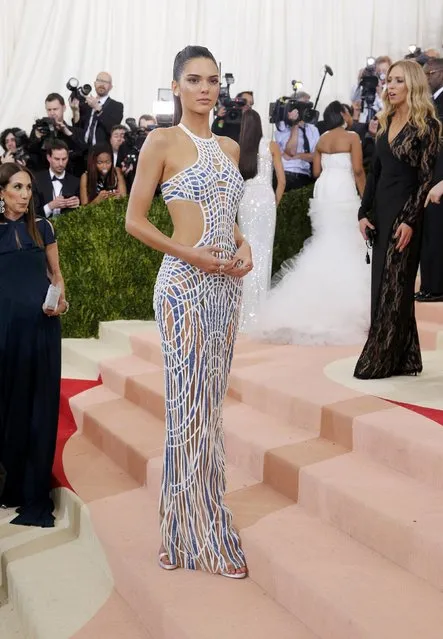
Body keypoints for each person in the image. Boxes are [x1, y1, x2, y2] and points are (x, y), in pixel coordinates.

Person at [125, 45, 252, 578]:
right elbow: (135, 220)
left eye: (213, 80)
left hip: (225, 292)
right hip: (182, 287)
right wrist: (192, 254)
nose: (205, 88)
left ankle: (200, 518)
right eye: (194, 80)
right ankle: (181, 530)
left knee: (211, 410)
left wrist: (243, 245)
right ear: (176, 86)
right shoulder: (161, 141)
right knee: (187, 409)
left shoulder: (227, 145)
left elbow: (229, 216)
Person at [255, 101, 369, 345]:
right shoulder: (352, 137)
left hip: (324, 189)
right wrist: (367, 198)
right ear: (342, 115)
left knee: (325, 238)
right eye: (348, 112)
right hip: (342, 188)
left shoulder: (323, 138)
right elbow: (358, 170)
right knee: (346, 240)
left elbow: (316, 171)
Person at [355, 60, 441, 379]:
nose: (390, 86)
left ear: (413, 85)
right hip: (382, 211)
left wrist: (409, 220)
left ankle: (381, 356)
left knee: (395, 284)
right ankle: (405, 357)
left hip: (408, 214)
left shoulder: (427, 126)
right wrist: (364, 212)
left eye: (398, 81)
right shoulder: (385, 119)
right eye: (388, 80)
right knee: (383, 284)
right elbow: (375, 174)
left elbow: (426, 179)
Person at [0, 162, 68, 527]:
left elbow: (55, 276)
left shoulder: (43, 227)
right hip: (4, 333)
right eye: (17, 187)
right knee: (8, 409)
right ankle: (9, 484)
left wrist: (61, 301)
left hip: (41, 331)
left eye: (28, 188)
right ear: (2, 192)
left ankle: (32, 490)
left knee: (38, 410)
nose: (25, 195)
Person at [237, 108, 285, 331]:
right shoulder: (271, 145)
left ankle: (243, 311)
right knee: (263, 253)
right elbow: (282, 181)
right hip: (265, 201)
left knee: (246, 249)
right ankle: (260, 310)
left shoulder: (238, 149)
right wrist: (273, 203)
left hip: (245, 201)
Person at [416, 58, 443, 302]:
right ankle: (429, 286)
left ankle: (435, 288)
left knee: (435, 233)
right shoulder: (434, 101)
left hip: (439, 180)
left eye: (428, 73)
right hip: (431, 178)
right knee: (430, 232)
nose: (425, 78)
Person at [274, 91, 320, 192]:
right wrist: (295, 124)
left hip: (305, 176)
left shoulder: (313, 129)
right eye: (302, 105)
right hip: (286, 174)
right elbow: (291, 151)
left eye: (308, 105)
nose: (305, 109)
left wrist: (298, 156)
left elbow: (316, 156)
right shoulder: (283, 127)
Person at [72, 72, 124, 146]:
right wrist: (75, 111)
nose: (102, 84)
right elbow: (77, 128)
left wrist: (98, 108)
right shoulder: (86, 104)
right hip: (83, 150)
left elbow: (113, 129)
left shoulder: (117, 106)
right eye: (99, 81)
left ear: (111, 87)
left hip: (102, 152)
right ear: (95, 84)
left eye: (106, 82)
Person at [34, 140, 80, 218]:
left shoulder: (76, 182)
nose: (61, 164)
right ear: (48, 158)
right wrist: (50, 206)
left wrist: (78, 204)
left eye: (64, 159)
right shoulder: (36, 180)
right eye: (57, 159)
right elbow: (32, 212)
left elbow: (81, 213)